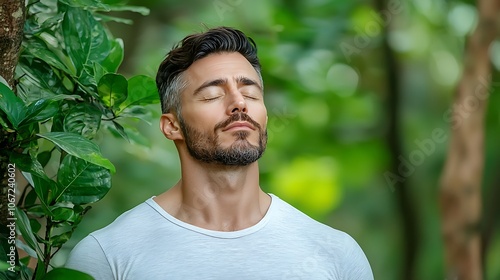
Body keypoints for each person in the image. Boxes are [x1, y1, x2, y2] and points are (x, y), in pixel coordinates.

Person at [65, 26, 374, 280]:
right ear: (172, 126)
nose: (239, 103)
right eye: (213, 94)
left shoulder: (336, 254)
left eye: (250, 92)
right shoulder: (107, 256)